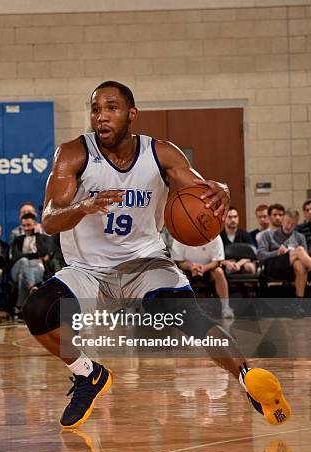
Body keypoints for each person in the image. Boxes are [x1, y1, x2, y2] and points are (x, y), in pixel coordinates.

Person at [23, 80, 290, 429]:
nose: (101, 116)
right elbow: (48, 221)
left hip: (145, 262)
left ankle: (247, 377)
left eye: (111, 108)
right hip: (89, 269)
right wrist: (83, 206)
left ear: (132, 114)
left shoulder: (160, 153)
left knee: (188, 317)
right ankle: (88, 374)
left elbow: (200, 191)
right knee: (37, 310)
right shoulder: (74, 154)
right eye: (95, 109)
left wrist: (221, 189)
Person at [170, 235, 235, 319]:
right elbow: (179, 261)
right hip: (188, 269)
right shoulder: (180, 234)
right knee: (175, 273)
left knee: (219, 272)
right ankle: (178, 310)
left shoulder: (215, 235)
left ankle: (226, 307)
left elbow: (217, 261)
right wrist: (192, 267)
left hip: (208, 269)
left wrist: (204, 268)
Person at [257, 208, 310, 298]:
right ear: (282, 221)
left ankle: (299, 303)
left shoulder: (300, 237)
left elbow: (305, 257)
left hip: (292, 267)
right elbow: (260, 255)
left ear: (296, 225)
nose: (288, 226)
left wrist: (291, 252)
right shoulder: (268, 235)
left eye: (292, 224)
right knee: (300, 250)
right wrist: (277, 252)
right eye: (286, 222)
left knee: (300, 266)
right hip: (273, 266)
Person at [10, 212, 52, 310]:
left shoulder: (43, 238)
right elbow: (16, 257)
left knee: (22, 276)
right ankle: (32, 288)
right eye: (24, 226)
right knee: (24, 261)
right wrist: (34, 255)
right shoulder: (18, 240)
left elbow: (44, 253)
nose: (26, 228)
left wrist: (37, 235)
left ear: (35, 224)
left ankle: (21, 307)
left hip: (37, 268)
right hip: (18, 267)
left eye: (28, 225)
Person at [220, 207, 256, 275]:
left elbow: (251, 255)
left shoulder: (245, 234)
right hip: (225, 264)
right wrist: (227, 263)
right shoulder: (219, 237)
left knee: (250, 266)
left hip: (242, 264)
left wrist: (238, 264)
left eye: (235, 217)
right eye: (230, 217)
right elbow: (215, 257)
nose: (233, 220)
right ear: (224, 218)